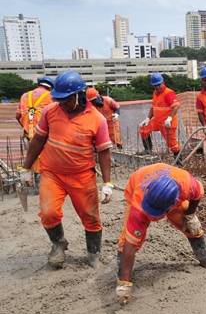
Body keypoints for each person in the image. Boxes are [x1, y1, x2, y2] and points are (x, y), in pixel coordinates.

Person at [17, 71, 114, 269]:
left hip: (82, 175)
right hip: (53, 174)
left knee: (91, 217)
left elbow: (104, 153)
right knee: (48, 212)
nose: (62, 104)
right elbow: (38, 140)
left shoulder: (97, 120)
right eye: (59, 99)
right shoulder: (50, 111)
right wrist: (26, 167)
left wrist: (107, 183)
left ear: (79, 95)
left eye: (66, 99)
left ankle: (94, 254)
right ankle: (58, 244)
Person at [115, 163, 206, 304]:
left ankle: (205, 260)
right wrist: (124, 284)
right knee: (129, 238)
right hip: (137, 185)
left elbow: (197, 196)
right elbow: (131, 244)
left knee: (191, 227)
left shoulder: (187, 184)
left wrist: (190, 214)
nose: (154, 218)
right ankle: (122, 273)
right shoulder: (139, 206)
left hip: (170, 195)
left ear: (174, 204)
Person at [16, 76, 55, 175]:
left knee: (32, 153)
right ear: (50, 87)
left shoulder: (25, 95)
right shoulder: (51, 96)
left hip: (29, 132)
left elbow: (17, 116)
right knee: (44, 155)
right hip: (44, 133)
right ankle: (42, 175)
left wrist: (27, 127)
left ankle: (34, 174)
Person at [138, 73, 181, 160]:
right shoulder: (155, 93)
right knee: (144, 129)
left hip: (167, 123)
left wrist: (169, 118)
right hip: (157, 121)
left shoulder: (168, 93)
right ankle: (148, 150)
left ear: (163, 82)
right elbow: (153, 107)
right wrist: (148, 118)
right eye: (155, 86)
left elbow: (176, 106)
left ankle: (179, 161)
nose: (157, 87)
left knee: (172, 144)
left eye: (158, 85)